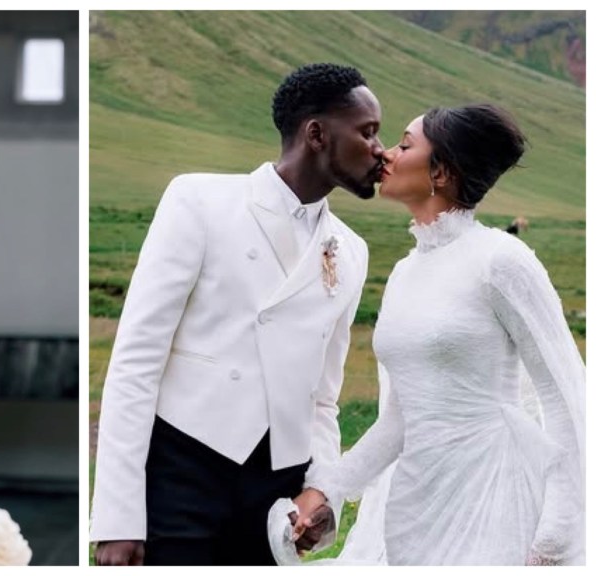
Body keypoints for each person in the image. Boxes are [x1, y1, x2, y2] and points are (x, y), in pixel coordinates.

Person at [90, 63, 383, 565]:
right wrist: (117, 517)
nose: (380, 150)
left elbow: (324, 399)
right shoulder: (200, 201)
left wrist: (322, 494)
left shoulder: (351, 252)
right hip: (181, 475)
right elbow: (136, 361)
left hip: (274, 498)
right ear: (316, 133)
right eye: (367, 132)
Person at [292, 104, 585, 565]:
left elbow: (564, 395)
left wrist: (558, 533)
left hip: (494, 495)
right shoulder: (406, 273)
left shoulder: (500, 260)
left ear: (441, 172)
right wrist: (329, 488)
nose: (385, 154)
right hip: (420, 501)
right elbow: (399, 421)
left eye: (405, 145)